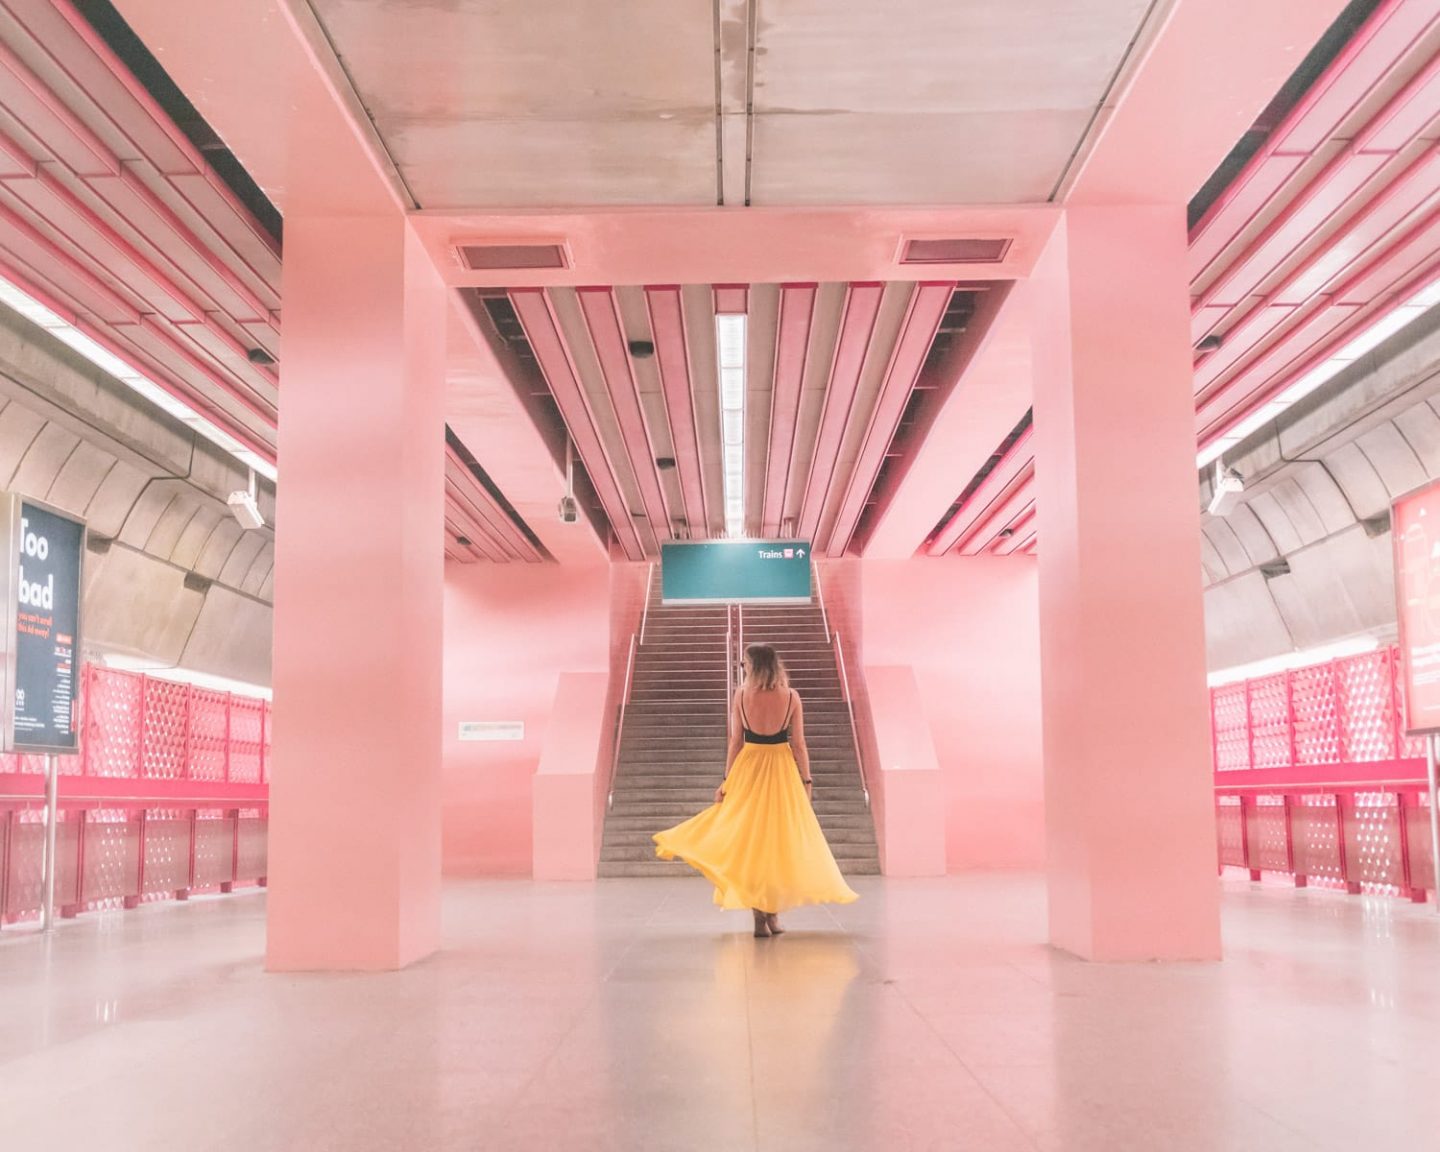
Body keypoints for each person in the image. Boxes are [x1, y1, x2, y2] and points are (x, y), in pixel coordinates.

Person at [654, 642, 859, 936]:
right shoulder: (791, 697)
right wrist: (807, 779)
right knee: (776, 842)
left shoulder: (741, 696)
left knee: (753, 841)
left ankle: (761, 919)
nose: (743, 668)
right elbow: (798, 744)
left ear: (755, 666)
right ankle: (771, 917)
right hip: (781, 770)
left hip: (749, 767)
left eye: (744, 664)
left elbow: (735, 741)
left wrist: (726, 780)